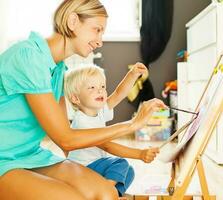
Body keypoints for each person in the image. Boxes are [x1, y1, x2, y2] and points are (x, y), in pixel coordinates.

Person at [0, 0, 166, 200]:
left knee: (107, 194)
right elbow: (65, 139)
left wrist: (79, 171)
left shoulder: (58, 68)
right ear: (72, 21)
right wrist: (132, 124)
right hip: (3, 160)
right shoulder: (28, 56)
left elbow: (63, 135)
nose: (100, 41)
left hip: (32, 155)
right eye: (96, 30)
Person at [64, 64, 160, 197]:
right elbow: (107, 146)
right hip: (82, 170)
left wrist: (132, 75)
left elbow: (118, 93)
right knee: (121, 164)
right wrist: (139, 154)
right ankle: (102, 194)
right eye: (92, 87)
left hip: (95, 167)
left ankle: (113, 194)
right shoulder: (82, 122)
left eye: (102, 87)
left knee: (129, 171)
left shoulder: (99, 111)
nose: (100, 91)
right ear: (75, 98)